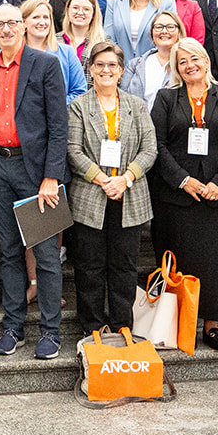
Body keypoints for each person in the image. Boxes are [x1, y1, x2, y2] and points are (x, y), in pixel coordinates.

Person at [0, 3, 69, 361]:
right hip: (0, 167)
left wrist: (52, 176)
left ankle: (50, 332)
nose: (6, 29)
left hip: (36, 173)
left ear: (24, 26)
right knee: (9, 252)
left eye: (12, 23)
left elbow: (59, 125)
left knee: (47, 255)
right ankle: (13, 327)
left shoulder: (46, 63)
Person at [149, 38, 218, 350]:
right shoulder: (167, 98)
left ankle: (212, 325)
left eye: (194, 59)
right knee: (178, 260)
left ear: (206, 61)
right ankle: (175, 322)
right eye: (182, 62)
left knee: (216, 263)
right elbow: (157, 145)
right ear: (176, 68)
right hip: (176, 197)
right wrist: (183, 180)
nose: (189, 65)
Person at [67, 42, 155, 335]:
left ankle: (121, 325)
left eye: (112, 65)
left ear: (121, 70)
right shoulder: (80, 106)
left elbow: (150, 149)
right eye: (100, 65)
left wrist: (125, 178)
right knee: (89, 266)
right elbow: (73, 149)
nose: (106, 70)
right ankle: (91, 325)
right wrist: (102, 179)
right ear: (90, 69)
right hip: (91, 195)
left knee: (124, 266)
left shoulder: (136, 105)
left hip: (128, 195)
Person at [22, 0, 87, 101]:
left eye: (46, 17)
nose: (42, 22)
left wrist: (56, 106)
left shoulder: (67, 52)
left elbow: (80, 91)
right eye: (36, 17)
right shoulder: (13, 53)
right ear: (23, 22)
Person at [122, 10, 185, 103]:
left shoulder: (185, 65)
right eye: (158, 27)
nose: (164, 31)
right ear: (151, 33)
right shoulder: (134, 65)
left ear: (179, 32)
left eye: (170, 27)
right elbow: (123, 99)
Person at [60, 0, 105, 71]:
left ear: (93, 14)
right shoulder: (54, 41)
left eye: (86, 9)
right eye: (75, 8)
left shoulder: (103, 43)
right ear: (68, 10)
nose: (80, 12)